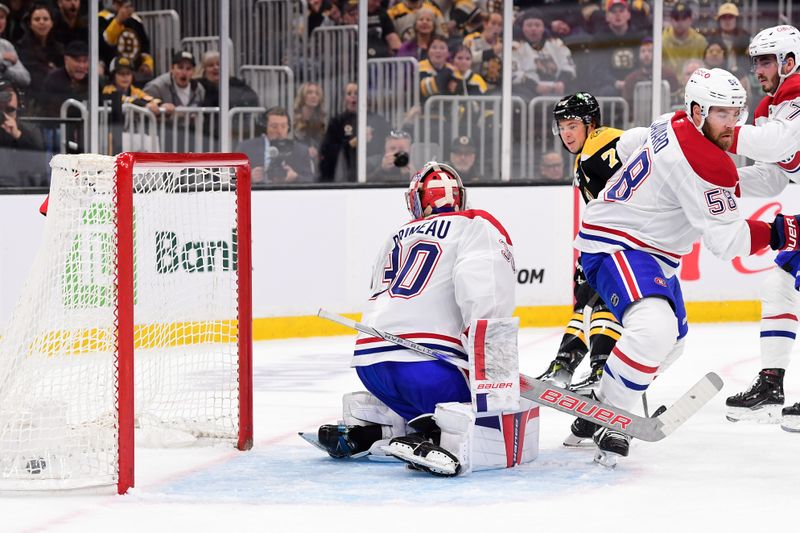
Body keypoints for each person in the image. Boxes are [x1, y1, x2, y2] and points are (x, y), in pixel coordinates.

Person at [571, 67, 800, 463]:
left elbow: (629, 144)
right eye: (721, 115)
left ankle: (597, 410)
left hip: (647, 250)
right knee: (653, 331)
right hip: (618, 244)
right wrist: (784, 231)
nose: (732, 125)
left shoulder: (670, 122)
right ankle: (611, 414)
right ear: (697, 111)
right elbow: (726, 242)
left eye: (736, 113)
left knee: (671, 346)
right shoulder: (704, 164)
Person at [314, 161, 538, 476]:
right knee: (467, 406)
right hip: (427, 366)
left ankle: (377, 432)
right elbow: (484, 295)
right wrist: (493, 372)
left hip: (370, 365)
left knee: (418, 402)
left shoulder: (396, 235)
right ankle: (436, 436)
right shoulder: (476, 223)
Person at [723, 25, 800, 432]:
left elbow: (772, 144)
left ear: (790, 61)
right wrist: (722, 181)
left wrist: (719, 133)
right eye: (756, 61)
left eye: (767, 61)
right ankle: (771, 385)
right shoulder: (771, 108)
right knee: (779, 284)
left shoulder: (799, 94)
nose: (758, 69)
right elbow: (774, 176)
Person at [535, 93, 626, 397]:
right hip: (604, 238)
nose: (566, 133)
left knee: (603, 299)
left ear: (592, 123)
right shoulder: (583, 155)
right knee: (584, 297)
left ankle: (602, 369)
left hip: (625, 239)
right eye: (561, 126)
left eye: (572, 124)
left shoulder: (603, 139)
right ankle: (564, 364)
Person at [234, 106, 314, 184]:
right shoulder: (246, 148)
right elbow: (231, 179)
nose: (279, 131)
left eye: (283, 126)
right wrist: (248, 177)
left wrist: (295, 177)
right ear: (265, 128)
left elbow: (310, 180)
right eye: (274, 127)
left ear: (288, 128)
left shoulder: (301, 151)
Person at [0, 79, 46, 186]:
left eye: (9, 110)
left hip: (20, 188)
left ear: (18, 103)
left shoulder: (30, 130)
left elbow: (39, 163)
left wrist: (18, 135)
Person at [98, 0, 153, 84]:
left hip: (133, 72)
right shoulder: (102, 18)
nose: (124, 8)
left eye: (126, 4)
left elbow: (144, 45)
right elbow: (104, 43)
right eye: (120, 4)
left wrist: (147, 63)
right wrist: (118, 21)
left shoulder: (136, 21)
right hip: (110, 73)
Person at [661, 2, 707, 77]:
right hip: (670, 83)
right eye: (676, 18)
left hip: (694, 83)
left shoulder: (700, 42)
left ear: (690, 20)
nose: (680, 22)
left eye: (684, 18)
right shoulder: (662, 41)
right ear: (671, 20)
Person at [0, 3, 29, 87]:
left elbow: (25, 78)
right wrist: (3, 57)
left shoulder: (6, 45)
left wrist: (4, 69)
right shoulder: (5, 54)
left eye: (2, 17)